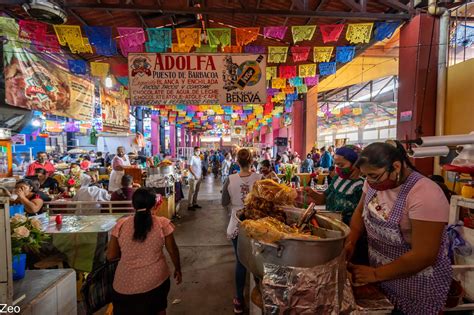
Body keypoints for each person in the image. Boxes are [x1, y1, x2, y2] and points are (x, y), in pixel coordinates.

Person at [346, 141, 452, 315]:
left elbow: (424, 255)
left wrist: (375, 274)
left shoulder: (425, 194)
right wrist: (351, 241)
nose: (369, 182)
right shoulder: (373, 183)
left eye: (374, 176)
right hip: (382, 277)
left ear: (396, 166)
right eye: (366, 176)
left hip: (416, 286)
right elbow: (359, 212)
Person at [107, 188, 182, 315]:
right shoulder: (162, 223)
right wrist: (178, 269)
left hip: (123, 287)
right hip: (155, 282)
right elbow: (173, 250)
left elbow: (111, 256)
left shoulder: (121, 224)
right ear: (154, 204)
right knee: (159, 310)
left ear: (133, 205)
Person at [222, 149, 262, 314]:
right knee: (259, 260)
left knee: (241, 262)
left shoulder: (229, 179)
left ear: (237, 162)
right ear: (252, 161)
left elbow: (224, 202)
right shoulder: (259, 178)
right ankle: (261, 295)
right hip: (258, 223)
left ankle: (239, 299)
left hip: (237, 224)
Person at [303, 145, 364, 225]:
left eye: (341, 165)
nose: (338, 168)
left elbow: (360, 217)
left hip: (349, 229)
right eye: (336, 165)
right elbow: (324, 199)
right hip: (331, 224)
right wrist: (312, 192)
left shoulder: (360, 185)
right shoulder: (337, 179)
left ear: (355, 164)